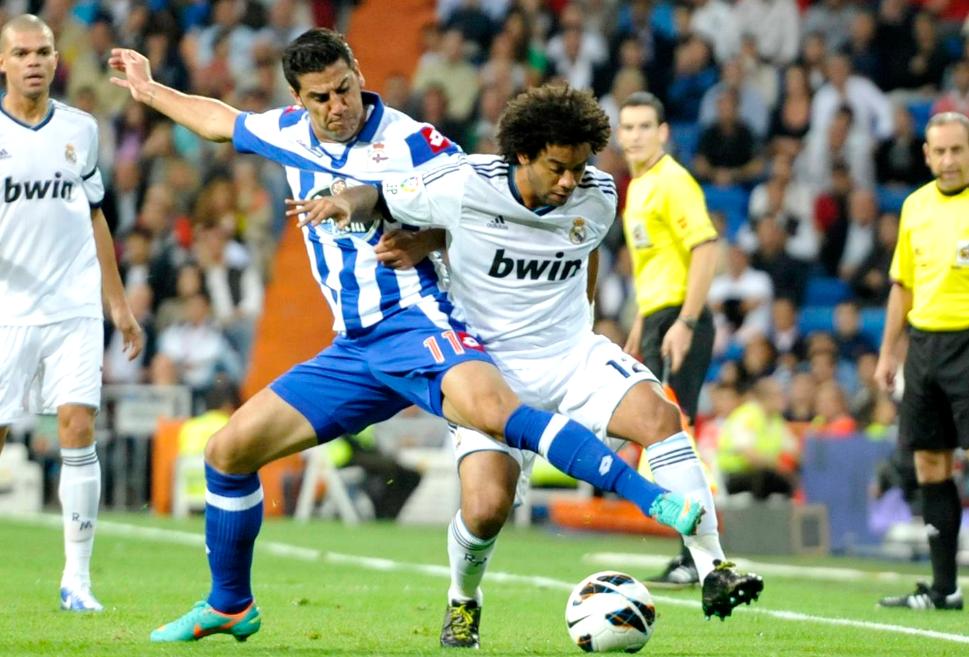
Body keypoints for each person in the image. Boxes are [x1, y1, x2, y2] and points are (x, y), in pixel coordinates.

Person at [108, 29, 701, 643]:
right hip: (355, 347)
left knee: (497, 418)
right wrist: (150, 91)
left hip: (421, 321)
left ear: (359, 73)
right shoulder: (287, 133)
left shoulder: (416, 143)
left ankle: (644, 495)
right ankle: (230, 603)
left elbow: (487, 208)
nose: (337, 106)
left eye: (344, 89)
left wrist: (425, 238)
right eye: (320, 98)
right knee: (227, 453)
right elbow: (219, 121)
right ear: (298, 99)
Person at [294, 84, 763, 648]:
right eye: (557, 167)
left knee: (660, 416)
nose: (569, 181)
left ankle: (713, 568)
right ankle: (463, 599)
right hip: (487, 370)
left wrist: (588, 320)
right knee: (486, 508)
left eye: (579, 166)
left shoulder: (599, 194)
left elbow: (584, 246)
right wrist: (357, 208)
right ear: (522, 154)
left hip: (571, 354)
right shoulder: (464, 183)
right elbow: (379, 195)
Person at [0, 15, 143, 611]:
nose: (33, 62)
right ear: (2, 62)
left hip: (73, 305)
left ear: (57, 59)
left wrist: (118, 303)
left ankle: (77, 581)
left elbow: (95, 214)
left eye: (43, 51)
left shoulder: (81, 129)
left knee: (78, 427)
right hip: (7, 311)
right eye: (21, 53)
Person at [617, 91, 720, 588]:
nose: (635, 135)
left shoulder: (673, 182)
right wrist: (641, 324)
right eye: (628, 127)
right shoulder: (639, 187)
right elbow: (656, 266)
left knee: (678, 436)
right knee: (670, 434)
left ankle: (695, 557)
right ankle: (690, 554)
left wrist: (686, 321)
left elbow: (706, 248)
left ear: (663, 133)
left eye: (645, 126)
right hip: (659, 317)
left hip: (681, 319)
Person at [876, 111, 969, 611]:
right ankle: (943, 589)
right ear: (927, 155)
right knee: (930, 462)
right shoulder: (915, 205)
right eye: (941, 151)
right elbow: (902, 285)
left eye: (958, 150)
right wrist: (889, 351)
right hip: (925, 347)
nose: (950, 160)